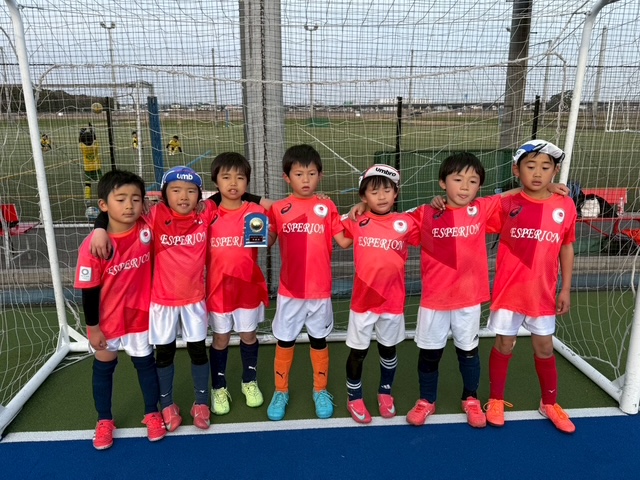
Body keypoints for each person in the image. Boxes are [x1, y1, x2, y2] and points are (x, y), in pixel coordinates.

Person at [91, 166, 218, 432]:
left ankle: (201, 402)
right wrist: (98, 229)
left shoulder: (205, 212)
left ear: (200, 195)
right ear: (163, 194)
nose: (183, 196)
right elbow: (115, 212)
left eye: (191, 191)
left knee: (198, 351)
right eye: (176, 190)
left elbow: (232, 196)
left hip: (195, 301)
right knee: (164, 354)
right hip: (161, 303)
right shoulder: (155, 215)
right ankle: (167, 404)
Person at [485, 139, 577, 434]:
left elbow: (567, 247)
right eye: (530, 166)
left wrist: (565, 289)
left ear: (555, 171)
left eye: (546, 167)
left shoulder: (565, 205)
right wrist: (514, 192)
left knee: (545, 347)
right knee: (504, 343)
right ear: (516, 170)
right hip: (509, 291)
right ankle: (495, 399)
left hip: (543, 292)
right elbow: (475, 209)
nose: (538, 173)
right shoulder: (507, 204)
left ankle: (549, 403)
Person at [404, 153, 502, 428]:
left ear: (480, 186)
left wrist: (547, 187)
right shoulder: (425, 214)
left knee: (468, 352)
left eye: (473, 181)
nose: (465, 187)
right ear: (442, 183)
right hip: (434, 300)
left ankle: (470, 398)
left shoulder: (481, 209)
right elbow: (388, 221)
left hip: (468, 299)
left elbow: (513, 196)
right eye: (458, 179)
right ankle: (427, 400)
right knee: (430, 353)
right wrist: (362, 207)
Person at [74, 169, 166, 450]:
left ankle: (152, 412)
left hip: (140, 318)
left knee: (145, 365)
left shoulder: (147, 227)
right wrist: (93, 328)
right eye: (121, 199)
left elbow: (172, 206)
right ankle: (104, 420)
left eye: (136, 199)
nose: (129, 205)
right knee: (104, 367)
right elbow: (89, 291)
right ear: (104, 205)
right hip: (108, 322)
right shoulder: (95, 246)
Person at [266, 144, 351, 421]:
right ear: (286, 178)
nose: (306, 179)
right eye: (299, 174)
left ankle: (320, 389)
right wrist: (255, 228)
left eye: (311, 174)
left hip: (319, 291)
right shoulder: (279, 209)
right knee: (285, 341)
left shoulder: (327, 206)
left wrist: (363, 214)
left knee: (318, 340)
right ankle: (280, 391)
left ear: (320, 176)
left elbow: (344, 241)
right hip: (290, 291)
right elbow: (267, 240)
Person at [341, 164, 419, 424]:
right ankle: (354, 396)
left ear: (396, 193)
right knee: (358, 352)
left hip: (392, 302)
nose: (382, 196)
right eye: (374, 192)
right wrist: (354, 209)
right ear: (364, 196)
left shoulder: (407, 223)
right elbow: (338, 234)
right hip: (363, 302)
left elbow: (433, 227)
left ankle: (385, 392)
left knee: (388, 349)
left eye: (387, 190)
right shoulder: (356, 220)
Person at [206, 152, 269, 416]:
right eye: (226, 177)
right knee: (220, 338)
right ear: (216, 181)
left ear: (247, 182)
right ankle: (218, 387)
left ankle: (249, 381)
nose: (233, 183)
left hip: (247, 287)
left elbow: (268, 240)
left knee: (248, 335)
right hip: (218, 290)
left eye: (240, 178)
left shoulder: (256, 212)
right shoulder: (207, 212)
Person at [79, 124, 102, 204]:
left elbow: (80, 141)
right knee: (100, 182)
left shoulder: (83, 147)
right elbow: (95, 139)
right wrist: (92, 129)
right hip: (97, 168)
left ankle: (87, 199)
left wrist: (81, 133)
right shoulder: (95, 146)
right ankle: (103, 197)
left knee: (87, 184)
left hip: (87, 168)